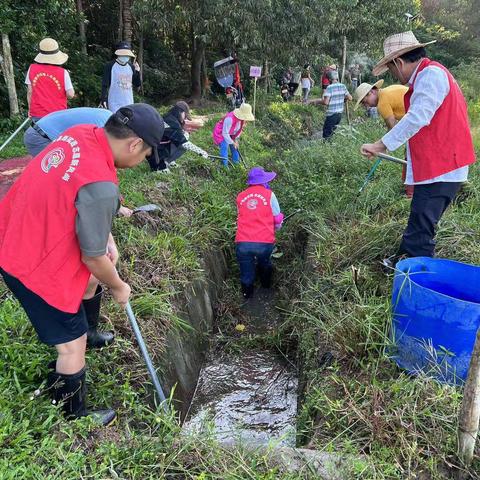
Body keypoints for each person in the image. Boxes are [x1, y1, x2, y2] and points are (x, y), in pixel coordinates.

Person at [0, 103, 165, 425]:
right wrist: (119, 285)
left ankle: (89, 331)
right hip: (28, 260)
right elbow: (92, 256)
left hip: (19, 229)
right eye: (146, 154)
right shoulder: (100, 184)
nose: (143, 160)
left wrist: (107, 238)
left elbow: (88, 204)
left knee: (90, 281)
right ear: (134, 144)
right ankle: (72, 413)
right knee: (70, 345)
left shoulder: (81, 134)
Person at [360, 31, 476, 266]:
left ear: (399, 62)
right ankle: (404, 260)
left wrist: (380, 145)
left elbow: (417, 117)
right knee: (419, 218)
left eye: (391, 69)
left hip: (443, 166)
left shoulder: (430, 75)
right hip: (438, 164)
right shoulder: (428, 75)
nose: (393, 75)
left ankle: (414, 275)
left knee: (422, 223)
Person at [23, 107, 133, 217]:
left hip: (41, 129)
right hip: (41, 137)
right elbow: (101, 167)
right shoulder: (106, 128)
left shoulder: (109, 118)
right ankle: (40, 212)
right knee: (63, 179)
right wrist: (118, 206)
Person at [354, 80, 412, 196]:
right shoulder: (387, 91)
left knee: (412, 156)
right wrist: (381, 145)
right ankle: (408, 187)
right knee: (409, 154)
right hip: (420, 121)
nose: (367, 106)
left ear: (371, 92)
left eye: (365, 102)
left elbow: (393, 129)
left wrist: (378, 146)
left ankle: (411, 193)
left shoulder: (382, 103)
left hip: (420, 123)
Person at [235, 167, 284, 299]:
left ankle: (247, 296)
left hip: (243, 242)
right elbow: (277, 217)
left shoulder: (240, 196)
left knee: (246, 270)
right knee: (264, 262)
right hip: (264, 242)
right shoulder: (270, 195)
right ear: (264, 181)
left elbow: (240, 216)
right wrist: (277, 227)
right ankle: (266, 287)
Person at [147, 101, 209, 173]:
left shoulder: (169, 117)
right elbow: (184, 143)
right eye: (185, 115)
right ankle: (160, 166)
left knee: (185, 135)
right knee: (183, 143)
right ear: (180, 112)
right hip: (156, 155)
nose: (185, 118)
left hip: (157, 149)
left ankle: (168, 161)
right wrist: (201, 152)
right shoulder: (171, 122)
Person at [25, 38, 75, 121]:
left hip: (37, 113)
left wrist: (30, 109)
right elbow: (70, 94)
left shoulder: (32, 68)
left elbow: (30, 91)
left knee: (38, 133)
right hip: (58, 114)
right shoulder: (63, 72)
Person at [100, 41, 141, 113]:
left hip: (129, 102)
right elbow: (104, 85)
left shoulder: (131, 67)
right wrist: (103, 99)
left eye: (127, 55)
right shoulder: (110, 66)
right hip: (114, 103)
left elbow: (137, 83)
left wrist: (137, 71)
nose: (125, 56)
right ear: (118, 54)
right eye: (123, 54)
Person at [321, 70, 352, 139]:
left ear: (329, 79)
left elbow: (326, 102)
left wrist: (317, 101)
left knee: (327, 134)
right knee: (332, 132)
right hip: (339, 115)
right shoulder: (343, 86)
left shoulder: (329, 87)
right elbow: (350, 98)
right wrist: (342, 99)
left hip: (331, 114)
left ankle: (327, 148)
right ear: (337, 78)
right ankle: (330, 147)